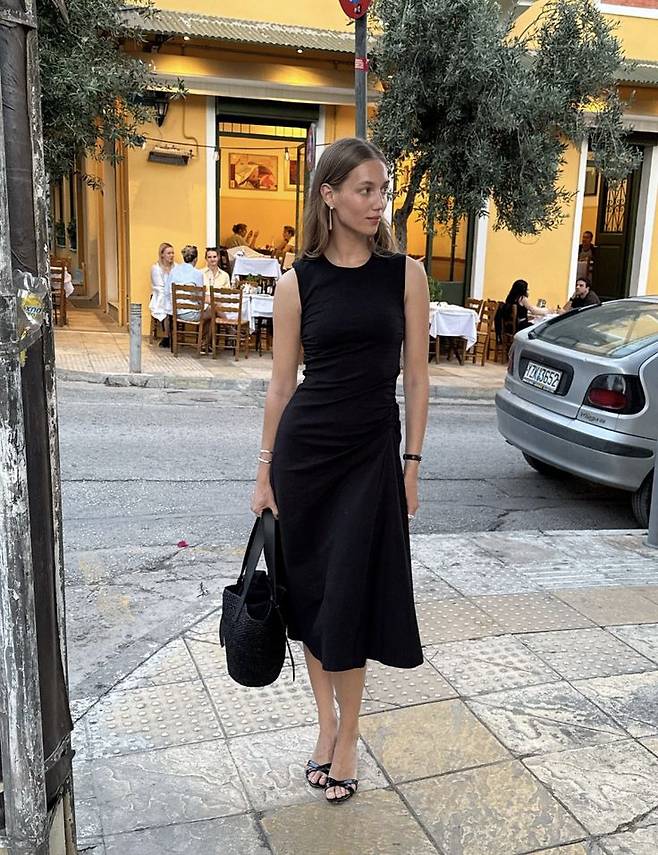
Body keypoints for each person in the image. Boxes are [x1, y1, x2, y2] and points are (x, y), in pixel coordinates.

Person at [251, 138, 429, 805]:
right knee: (312, 598)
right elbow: (280, 385)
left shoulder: (406, 274)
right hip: (307, 458)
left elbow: (417, 378)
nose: (378, 202)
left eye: (383, 190)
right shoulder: (296, 282)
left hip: (371, 456)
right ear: (329, 195)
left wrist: (412, 464)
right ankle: (325, 724)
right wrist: (264, 472)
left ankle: (349, 734)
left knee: (350, 595)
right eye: (365, 189)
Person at [170, 245, 212, 345]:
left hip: (175, 311)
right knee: (214, 310)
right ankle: (205, 343)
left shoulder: (174, 270)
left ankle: (203, 341)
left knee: (210, 309)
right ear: (196, 259)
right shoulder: (197, 274)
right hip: (191, 313)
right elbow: (200, 297)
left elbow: (168, 290)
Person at [149, 242, 175, 347]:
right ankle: (167, 335)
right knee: (165, 306)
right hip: (160, 295)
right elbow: (159, 286)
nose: (171, 255)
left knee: (174, 304)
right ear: (162, 254)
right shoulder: (156, 268)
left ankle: (172, 334)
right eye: (169, 253)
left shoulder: (176, 267)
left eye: (172, 253)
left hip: (173, 294)